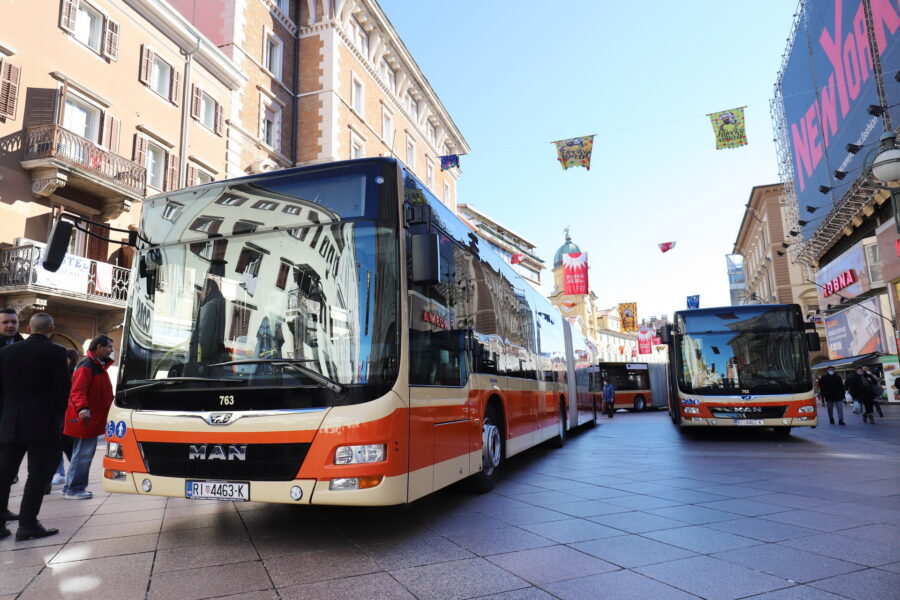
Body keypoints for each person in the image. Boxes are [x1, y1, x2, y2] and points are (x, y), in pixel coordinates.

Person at [0, 313, 70, 540]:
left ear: (28, 327)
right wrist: (57, 415)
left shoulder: (5, 352)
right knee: (37, 474)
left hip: (10, 421)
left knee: (4, 474)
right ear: (52, 328)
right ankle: (28, 524)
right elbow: (62, 391)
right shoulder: (57, 352)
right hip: (43, 423)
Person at [62, 336, 115, 500]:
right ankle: (74, 488)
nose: (112, 350)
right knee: (82, 454)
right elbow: (78, 391)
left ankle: (72, 486)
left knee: (81, 453)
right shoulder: (88, 366)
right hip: (85, 419)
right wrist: (83, 409)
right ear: (99, 347)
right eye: (109, 347)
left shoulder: (96, 366)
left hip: (89, 418)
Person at [50, 349, 81, 489]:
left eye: (67, 358)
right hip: (57, 417)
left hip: (69, 418)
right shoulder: (57, 374)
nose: (64, 361)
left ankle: (73, 477)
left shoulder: (74, 375)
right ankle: (59, 474)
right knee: (55, 447)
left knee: (69, 448)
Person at [0, 308, 24, 487]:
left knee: (8, 466)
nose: (10, 325)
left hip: (16, 412)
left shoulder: (24, 345)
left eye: (13, 322)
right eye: (5, 322)